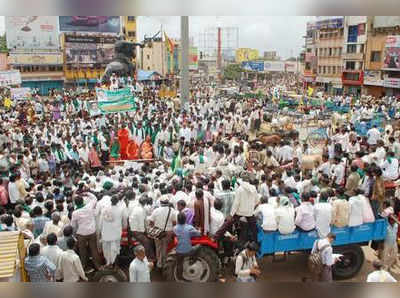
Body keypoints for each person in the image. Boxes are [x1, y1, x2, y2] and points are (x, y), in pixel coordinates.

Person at [214, 177, 260, 242]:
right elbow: (257, 201)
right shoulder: (254, 189)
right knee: (254, 228)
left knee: (226, 224)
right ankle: (257, 242)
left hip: (240, 212)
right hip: (249, 213)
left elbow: (236, 204)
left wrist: (231, 214)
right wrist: (251, 208)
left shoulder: (239, 189)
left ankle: (215, 237)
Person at [70, 195, 102, 273]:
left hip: (81, 234)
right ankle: (98, 266)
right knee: (94, 249)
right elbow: (94, 198)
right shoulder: (89, 206)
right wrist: (87, 193)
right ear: (83, 201)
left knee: (82, 251)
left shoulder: (75, 213)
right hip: (92, 232)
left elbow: (73, 226)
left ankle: (84, 267)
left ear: (75, 203)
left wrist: (75, 235)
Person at [100, 195, 127, 267]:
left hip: (106, 232)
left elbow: (101, 221)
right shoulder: (121, 209)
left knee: (106, 248)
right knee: (115, 248)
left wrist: (100, 231)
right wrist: (124, 227)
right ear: (118, 202)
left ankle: (108, 262)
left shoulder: (105, 209)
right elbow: (124, 221)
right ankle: (113, 263)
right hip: (116, 233)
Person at [148, 197, 176, 270]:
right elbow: (174, 223)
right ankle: (164, 264)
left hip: (157, 232)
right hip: (168, 232)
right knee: (165, 248)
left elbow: (151, 222)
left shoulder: (156, 211)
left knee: (158, 248)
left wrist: (154, 228)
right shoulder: (172, 211)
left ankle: (159, 264)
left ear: (160, 203)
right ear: (168, 203)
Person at [173, 212, 202, 281]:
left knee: (179, 264)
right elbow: (198, 234)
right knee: (199, 246)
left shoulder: (175, 228)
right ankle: (193, 259)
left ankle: (179, 277)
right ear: (185, 219)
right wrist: (199, 230)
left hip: (178, 251)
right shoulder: (189, 227)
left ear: (177, 220)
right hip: (188, 251)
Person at [129, 196, 155, 261]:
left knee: (150, 239)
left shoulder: (138, 208)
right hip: (136, 231)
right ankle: (148, 257)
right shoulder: (140, 210)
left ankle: (151, 256)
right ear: (145, 203)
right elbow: (141, 226)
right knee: (147, 242)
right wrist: (147, 232)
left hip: (136, 229)